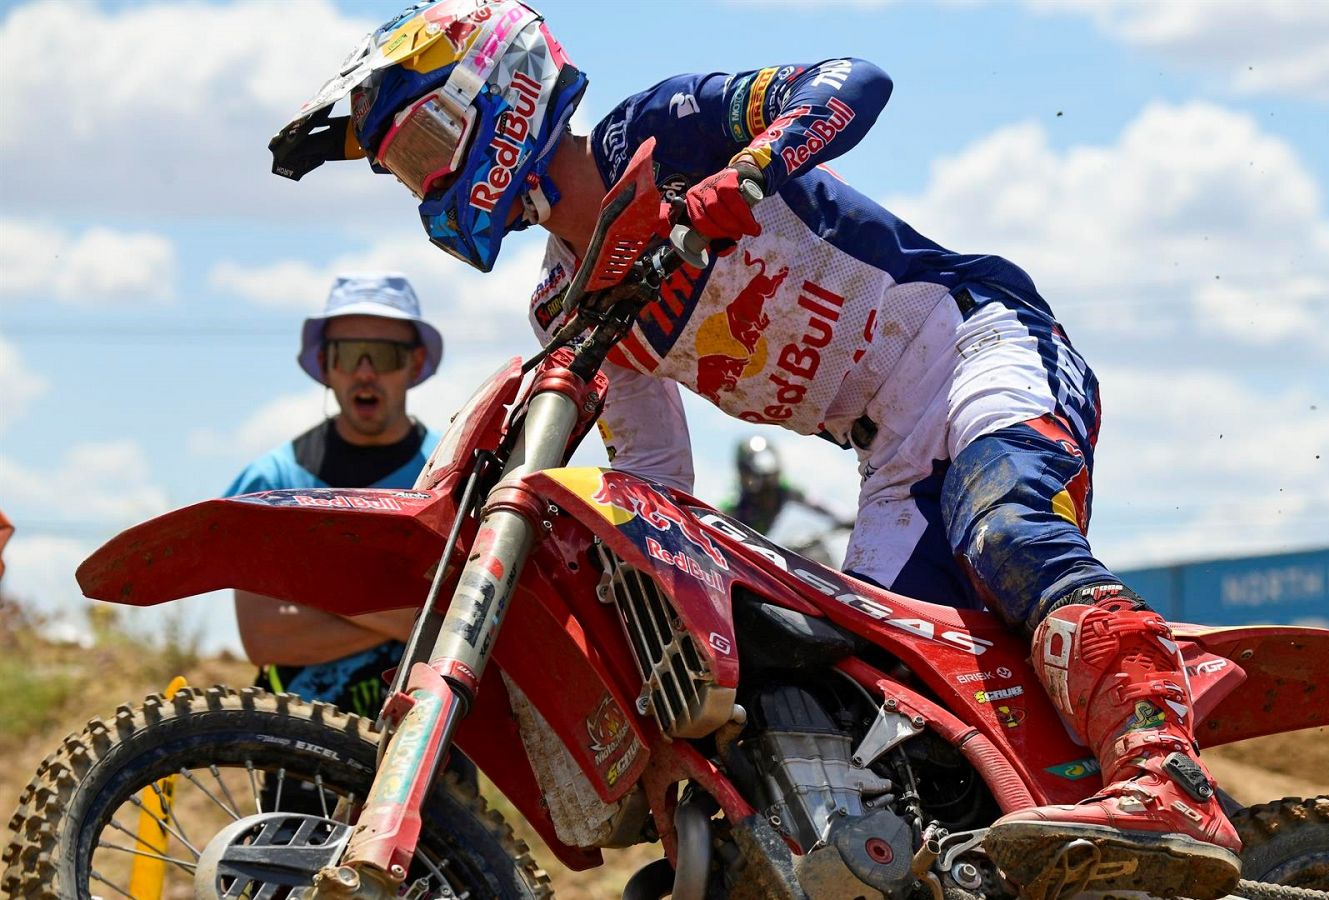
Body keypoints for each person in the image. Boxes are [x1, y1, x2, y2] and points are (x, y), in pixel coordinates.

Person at [268, 4, 1239, 895]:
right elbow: (654, 480)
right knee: (893, 724)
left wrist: (745, 175)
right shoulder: (573, 297)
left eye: (425, 146)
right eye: (404, 169)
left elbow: (852, 83)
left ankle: (1166, 778)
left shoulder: (652, 136)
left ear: (497, 95)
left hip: (975, 347)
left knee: (1006, 531)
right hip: (892, 458)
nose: (426, 181)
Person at [227, 273, 443, 721]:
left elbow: (462, 628)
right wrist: (405, 616)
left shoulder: (450, 475)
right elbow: (263, 638)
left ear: (415, 362)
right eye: (347, 354)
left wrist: (307, 592)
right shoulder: (271, 482)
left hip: (427, 758)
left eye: (384, 355)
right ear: (326, 364)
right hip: (294, 756)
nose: (365, 371)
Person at [725, 435, 850, 565]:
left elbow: (818, 504)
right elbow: (713, 518)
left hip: (764, 556)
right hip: (736, 560)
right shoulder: (735, 502)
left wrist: (848, 519)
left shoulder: (783, 489)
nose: (768, 495)